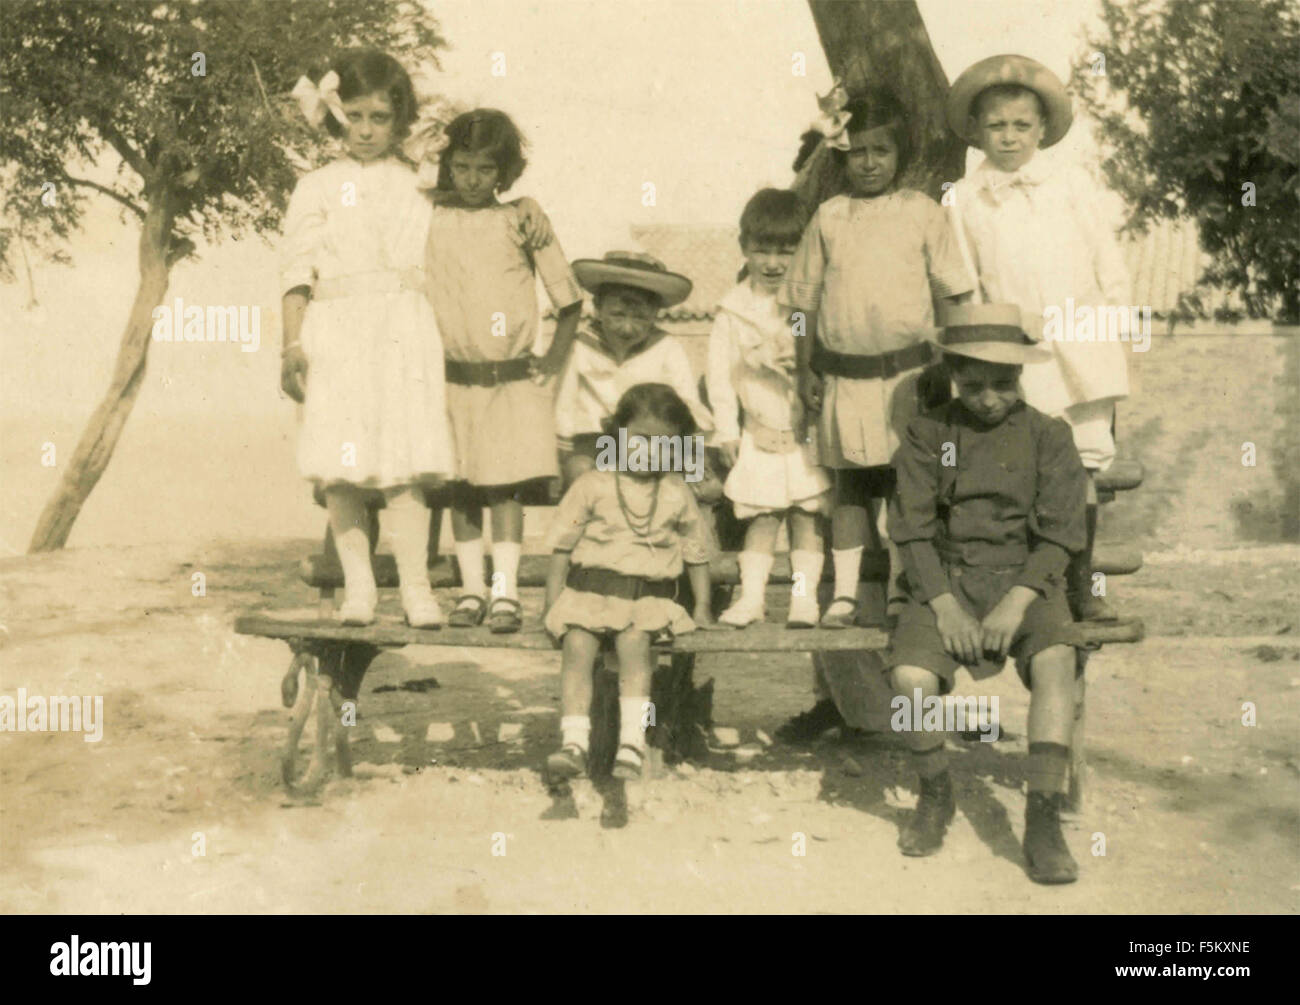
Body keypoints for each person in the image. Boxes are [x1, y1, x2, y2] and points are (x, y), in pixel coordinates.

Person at [885, 303, 1088, 884]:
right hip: (945, 580)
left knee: (1056, 660)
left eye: (1002, 384)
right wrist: (945, 605)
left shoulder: (1049, 436)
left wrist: (1018, 599)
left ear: (1019, 376)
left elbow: (1061, 533)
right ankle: (935, 793)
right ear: (951, 373)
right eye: (972, 385)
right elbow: (912, 530)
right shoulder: (929, 434)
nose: (989, 399)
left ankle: (1042, 818)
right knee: (910, 681)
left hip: (1027, 579)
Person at [945, 54, 1132, 621]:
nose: (1009, 137)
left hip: (1084, 341)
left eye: (1021, 125)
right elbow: (967, 282)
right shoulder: (964, 197)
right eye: (996, 125)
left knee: (1083, 464)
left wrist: (1117, 333)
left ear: (1043, 128)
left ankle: (1083, 587)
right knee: (1030, 467)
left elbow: (1108, 261)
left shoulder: (1072, 184)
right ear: (976, 130)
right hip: (1018, 349)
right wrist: (986, 353)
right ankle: (1033, 592)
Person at [781, 86, 974, 630]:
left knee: (906, 489)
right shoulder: (829, 217)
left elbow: (951, 294)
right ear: (841, 156)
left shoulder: (922, 213)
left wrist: (947, 364)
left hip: (910, 379)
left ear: (900, 154)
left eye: (881, 151)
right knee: (850, 489)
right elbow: (802, 303)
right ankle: (844, 595)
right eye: (858, 152)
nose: (869, 163)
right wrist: (804, 368)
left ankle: (899, 589)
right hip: (844, 380)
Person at [280, 49, 456, 628]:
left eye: (379, 117)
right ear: (334, 115)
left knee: (405, 467)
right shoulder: (316, 187)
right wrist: (291, 344)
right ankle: (359, 589)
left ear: (399, 118)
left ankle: (416, 590)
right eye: (353, 116)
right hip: (336, 331)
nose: (364, 130)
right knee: (342, 468)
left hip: (402, 328)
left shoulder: (419, 183)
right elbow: (296, 270)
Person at [421, 109, 584, 634]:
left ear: (504, 172)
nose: (472, 179)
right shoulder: (428, 215)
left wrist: (553, 360)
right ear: (447, 165)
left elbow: (569, 300)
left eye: (485, 169)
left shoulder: (522, 220)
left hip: (509, 382)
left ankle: (505, 592)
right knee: (461, 489)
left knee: (504, 488)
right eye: (462, 166)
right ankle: (471, 590)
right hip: (449, 380)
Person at [542, 384, 716, 782]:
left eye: (665, 444)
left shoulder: (675, 492)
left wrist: (703, 606)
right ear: (617, 433)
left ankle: (631, 744)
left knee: (635, 644)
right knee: (577, 644)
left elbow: (695, 553)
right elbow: (562, 547)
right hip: (589, 595)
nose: (651, 452)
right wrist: (551, 603)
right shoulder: (592, 485)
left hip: (646, 601)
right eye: (640, 439)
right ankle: (573, 743)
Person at [707, 189, 832, 628]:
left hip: (804, 433)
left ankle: (803, 600)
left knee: (806, 516)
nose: (774, 263)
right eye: (763, 250)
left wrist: (801, 362)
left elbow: (821, 357)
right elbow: (720, 376)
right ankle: (752, 598)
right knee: (762, 517)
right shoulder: (732, 311)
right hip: (758, 430)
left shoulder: (805, 306)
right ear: (745, 247)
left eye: (786, 251)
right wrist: (726, 431)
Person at [554, 252, 713, 489]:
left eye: (639, 318)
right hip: (599, 440)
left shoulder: (667, 347)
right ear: (598, 308)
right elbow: (563, 405)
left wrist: (696, 462)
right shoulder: (579, 346)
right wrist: (561, 456)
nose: (627, 328)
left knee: (693, 482)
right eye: (617, 315)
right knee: (581, 471)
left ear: (655, 314)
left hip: (653, 438)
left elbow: (687, 403)